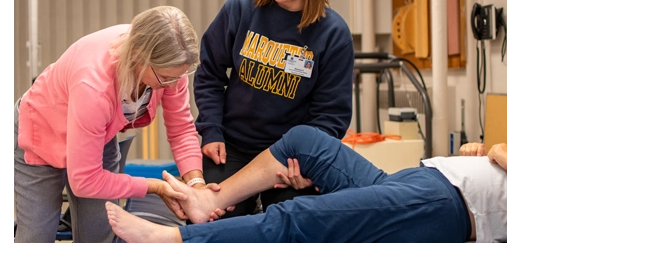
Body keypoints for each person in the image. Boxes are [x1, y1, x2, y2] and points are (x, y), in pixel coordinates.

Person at [105, 125, 509, 245]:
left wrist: (499, 151)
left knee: (302, 218)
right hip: (430, 177)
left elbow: (508, 154)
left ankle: (175, 239)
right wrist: (487, 148)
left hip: (448, 206)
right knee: (304, 141)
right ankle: (202, 202)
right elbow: (503, 150)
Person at [193, 0, 355, 217]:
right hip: (232, 147)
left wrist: (306, 162)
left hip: (286, 157)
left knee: (295, 224)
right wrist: (212, 131)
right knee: (214, 220)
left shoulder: (333, 33)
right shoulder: (241, 8)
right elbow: (209, 74)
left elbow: (331, 116)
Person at [14, 6, 208, 244]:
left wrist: (196, 185)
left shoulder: (170, 69)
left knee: (100, 238)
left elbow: (181, 130)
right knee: (35, 240)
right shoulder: (94, 86)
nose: (173, 85)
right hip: (42, 132)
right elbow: (85, 181)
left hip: (98, 135)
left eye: (180, 76)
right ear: (139, 57)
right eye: (166, 78)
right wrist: (155, 187)